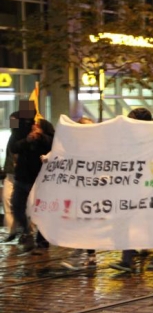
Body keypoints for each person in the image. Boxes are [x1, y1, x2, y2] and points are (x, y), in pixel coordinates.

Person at [110, 108, 153, 272]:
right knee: (125, 221)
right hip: (131, 187)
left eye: (132, 119)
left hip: (151, 187)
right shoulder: (127, 139)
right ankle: (126, 259)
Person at [11, 110, 55, 252]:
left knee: (41, 209)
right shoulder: (17, 127)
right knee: (17, 206)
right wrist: (27, 140)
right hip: (22, 176)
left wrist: (41, 136)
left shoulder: (45, 125)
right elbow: (13, 147)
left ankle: (42, 242)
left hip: (41, 176)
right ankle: (26, 232)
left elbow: (55, 144)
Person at [61, 116, 98, 270]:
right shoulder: (74, 146)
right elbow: (61, 156)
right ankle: (86, 253)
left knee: (86, 220)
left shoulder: (98, 146)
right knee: (80, 220)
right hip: (78, 189)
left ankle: (86, 255)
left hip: (92, 190)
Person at [2, 112, 19, 242]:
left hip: (21, 176)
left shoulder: (20, 137)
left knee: (23, 204)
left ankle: (26, 230)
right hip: (9, 175)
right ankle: (12, 230)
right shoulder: (12, 136)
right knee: (7, 201)